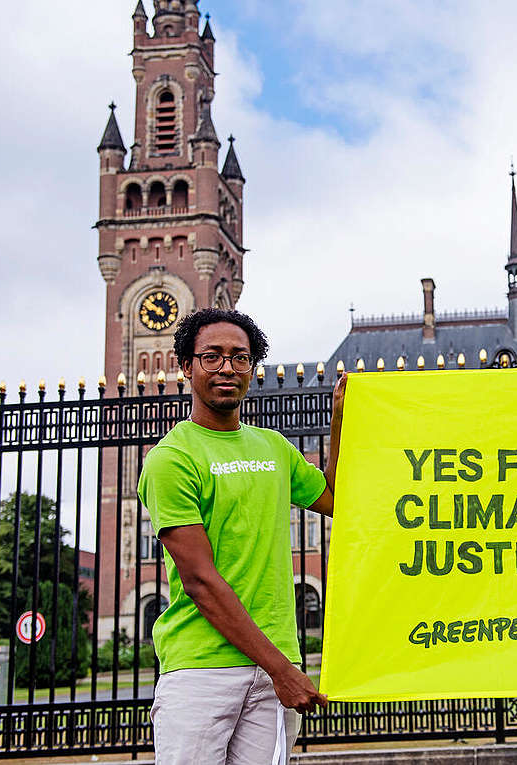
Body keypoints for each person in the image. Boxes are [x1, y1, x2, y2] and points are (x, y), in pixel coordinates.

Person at [138, 308, 347, 765]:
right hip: (200, 668)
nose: (227, 368)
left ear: (252, 369)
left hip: (274, 666)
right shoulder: (171, 459)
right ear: (186, 365)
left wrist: (339, 420)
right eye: (212, 357)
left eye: (240, 357)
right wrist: (280, 669)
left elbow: (333, 498)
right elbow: (199, 581)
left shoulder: (273, 447)